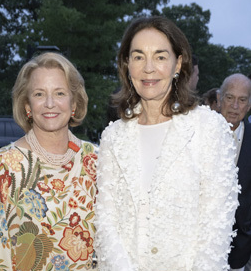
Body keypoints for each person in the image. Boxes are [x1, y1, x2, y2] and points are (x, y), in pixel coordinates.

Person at [95, 16, 239, 271]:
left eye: (160, 56)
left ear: (178, 63)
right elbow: (106, 222)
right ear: (127, 64)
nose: (148, 68)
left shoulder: (209, 128)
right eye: (138, 56)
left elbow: (215, 228)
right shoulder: (113, 137)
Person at [0, 52, 98, 270]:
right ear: (27, 106)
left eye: (59, 93)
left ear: (74, 104)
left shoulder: (97, 161)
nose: (50, 103)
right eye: (39, 94)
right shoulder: (3, 167)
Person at [217, 74, 251, 271]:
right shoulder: (198, 134)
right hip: (197, 247)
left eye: (242, 100)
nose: (235, 106)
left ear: (249, 105)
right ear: (220, 99)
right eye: (230, 98)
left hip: (240, 251)